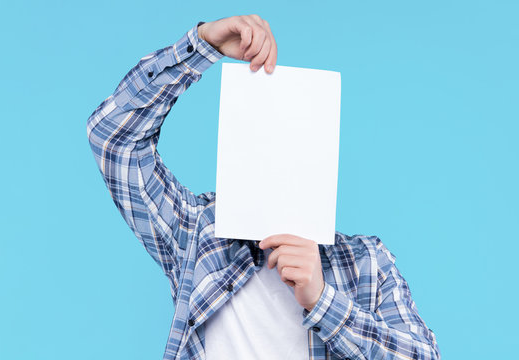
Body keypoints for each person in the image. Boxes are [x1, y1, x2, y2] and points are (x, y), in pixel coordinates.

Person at [86, 14, 441, 360]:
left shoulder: (367, 264)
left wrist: (322, 301)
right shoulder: (198, 233)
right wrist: (202, 45)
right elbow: (114, 138)